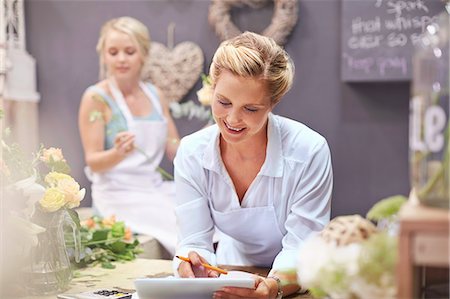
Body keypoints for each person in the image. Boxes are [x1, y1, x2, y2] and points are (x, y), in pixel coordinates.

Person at [173, 31, 333, 298]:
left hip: (299, 277)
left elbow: (302, 246)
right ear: (212, 89)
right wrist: (194, 267)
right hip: (231, 269)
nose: (233, 119)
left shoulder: (309, 151)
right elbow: (193, 240)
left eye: (251, 109)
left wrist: (275, 286)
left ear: (273, 102)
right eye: (223, 102)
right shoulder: (192, 152)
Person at [79, 17, 180, 255]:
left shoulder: (155, 95)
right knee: (178, 222)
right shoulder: (95, 98)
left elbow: (174, 147)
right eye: (113, 52)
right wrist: (117, 153)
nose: (121, 59)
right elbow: (92, 160)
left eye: (130, 51)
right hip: (118, 196)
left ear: (143, 54)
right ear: (104, 55)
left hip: (153, 188)